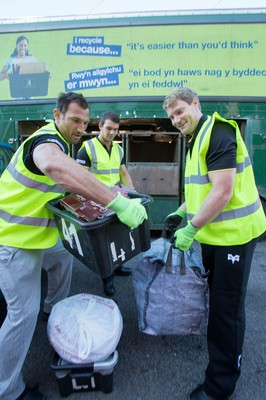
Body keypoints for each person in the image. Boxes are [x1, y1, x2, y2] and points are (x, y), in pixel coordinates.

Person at [0, 92, 147, 400]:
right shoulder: (46, 141)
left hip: (36, 236)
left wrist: (107, 194)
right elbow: (57, 169)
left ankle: (51, 311)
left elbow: (67, 186)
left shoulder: (67, 143)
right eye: (74, 120)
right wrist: (115, 202)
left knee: (62, 259)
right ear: (57, 115)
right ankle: (7, 389)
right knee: (20, 315)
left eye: (85, 121)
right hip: (12, 241)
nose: (81, 127)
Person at [163, 87, 265, 400]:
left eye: (180, 111)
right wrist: (181, 212)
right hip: (215, 237)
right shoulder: (195, 139)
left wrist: (190, 229)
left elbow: (222, 192)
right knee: (219, 302)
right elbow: (203, 190)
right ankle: (220, 359)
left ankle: (220, 386)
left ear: (196, 104)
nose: (176, 120)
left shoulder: (218, 133)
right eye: (171, 117)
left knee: (226, 311)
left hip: (234, 237)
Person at [76, 111, 135, 296]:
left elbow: (123, 173)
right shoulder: (87, 148)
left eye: (115, 130)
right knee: (102, 242)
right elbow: (80, 177)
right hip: (96, 203)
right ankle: (107, 277)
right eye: (108, 128)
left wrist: (133, 195)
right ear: (100, 126)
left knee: (117, 236)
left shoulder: (118, 149)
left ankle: (117, 265)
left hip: (115, 200)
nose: (111, 133)